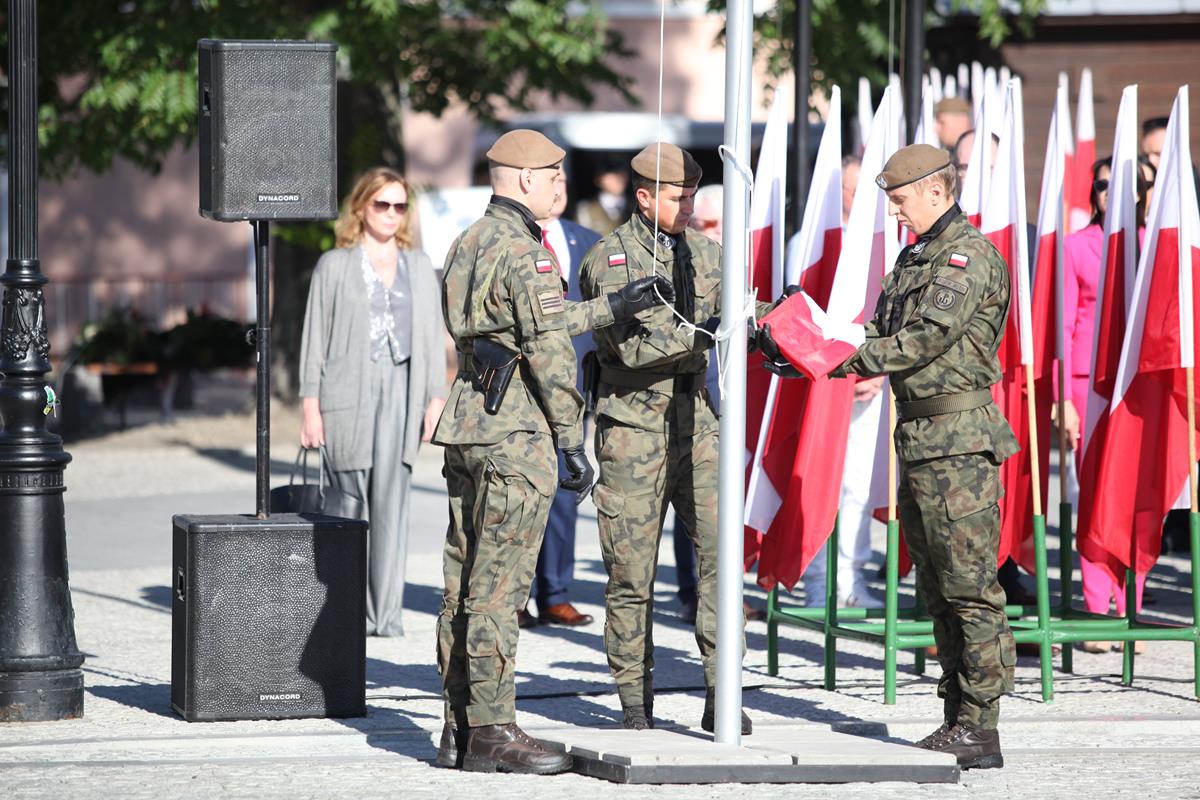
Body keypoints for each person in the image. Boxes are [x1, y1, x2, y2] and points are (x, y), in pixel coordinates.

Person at [760, 144, 1018, 770]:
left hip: (960, 441)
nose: (896, 213)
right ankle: (957, 717)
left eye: (901, 200)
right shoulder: (914, 257)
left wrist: (828, 359)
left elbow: (921, 341)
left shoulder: (966, 257)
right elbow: (878, 332)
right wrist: (806, 343)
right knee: (936, 587)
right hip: (922, 439)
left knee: (969, 587)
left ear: (936, 190)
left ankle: (980, 724)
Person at [432, 129, 673, 774]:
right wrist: (571, 438)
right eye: (554, 176)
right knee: (499, 586)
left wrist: (608, 306)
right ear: (525, 179)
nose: (560, 186)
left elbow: (512, 323)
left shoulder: (469, 241)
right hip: (516, 433)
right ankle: (493, 729)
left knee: (463, 578)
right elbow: (545, 350)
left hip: (470, 421)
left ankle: (458, 725)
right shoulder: (528, 251)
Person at [580, 143, 779, 734]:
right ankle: (634, 701)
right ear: (644, 197)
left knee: (722, 564)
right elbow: (631, 348)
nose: (688, 206)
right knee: (631, 574)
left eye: (692, 195)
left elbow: (739, 314)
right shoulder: (610, 261)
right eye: (676, 196)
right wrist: (711, 334)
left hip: (700, 425)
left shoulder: (709, 254)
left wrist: (775, 322)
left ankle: (723, 693)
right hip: (633, 432)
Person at [299, 167, 447, 638]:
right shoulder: (334, 265)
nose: (390, 213)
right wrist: (309, 405)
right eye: (382, 204)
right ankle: (344, 612)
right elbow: (314, 338)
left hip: (403, 388)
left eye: (399, 205)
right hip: (347, 390)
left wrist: (435, 398)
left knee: (392, 501)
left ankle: (385, 616)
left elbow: (431, 336)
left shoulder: (419, 264)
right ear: (361, 207)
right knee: (348, 502)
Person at [1060, 156, 1156, 652]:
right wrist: (1063, 399)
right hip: (1088, 387)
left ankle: (1130, 609)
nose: (1110, 192)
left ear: (1143, 192)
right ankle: (1098, 610)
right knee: (1097, 492)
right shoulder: (1076, 247)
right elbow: (1063, 327)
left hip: (1142, 389)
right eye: (1102, 184)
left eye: (1125, 184)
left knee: (1139, 499)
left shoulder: (1157, 245)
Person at [799, 154, 885, 609]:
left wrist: (878, 369)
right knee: (819, 483)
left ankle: (850, 580)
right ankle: (817, 584)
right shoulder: (811, 241)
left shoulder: (885, 243)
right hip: (824, 385)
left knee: (859, 486)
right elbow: (802, 318)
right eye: (855, 188)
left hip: (875, 382)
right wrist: (846, 373)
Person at [519, 170, 603, 629]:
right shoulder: (511, 240)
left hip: (572, 388)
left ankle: (555, 594)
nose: (557, 191)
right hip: (521, 390)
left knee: (566, 491)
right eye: (550, 181)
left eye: (563, 183)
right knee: (518, 495)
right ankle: (514, 596)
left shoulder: (587, 242)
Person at [575, 160, 630, 235]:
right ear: (598, 179)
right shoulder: (586, 210)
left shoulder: (637, 206)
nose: (619, 178)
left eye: (622, 173)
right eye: (612, 173)